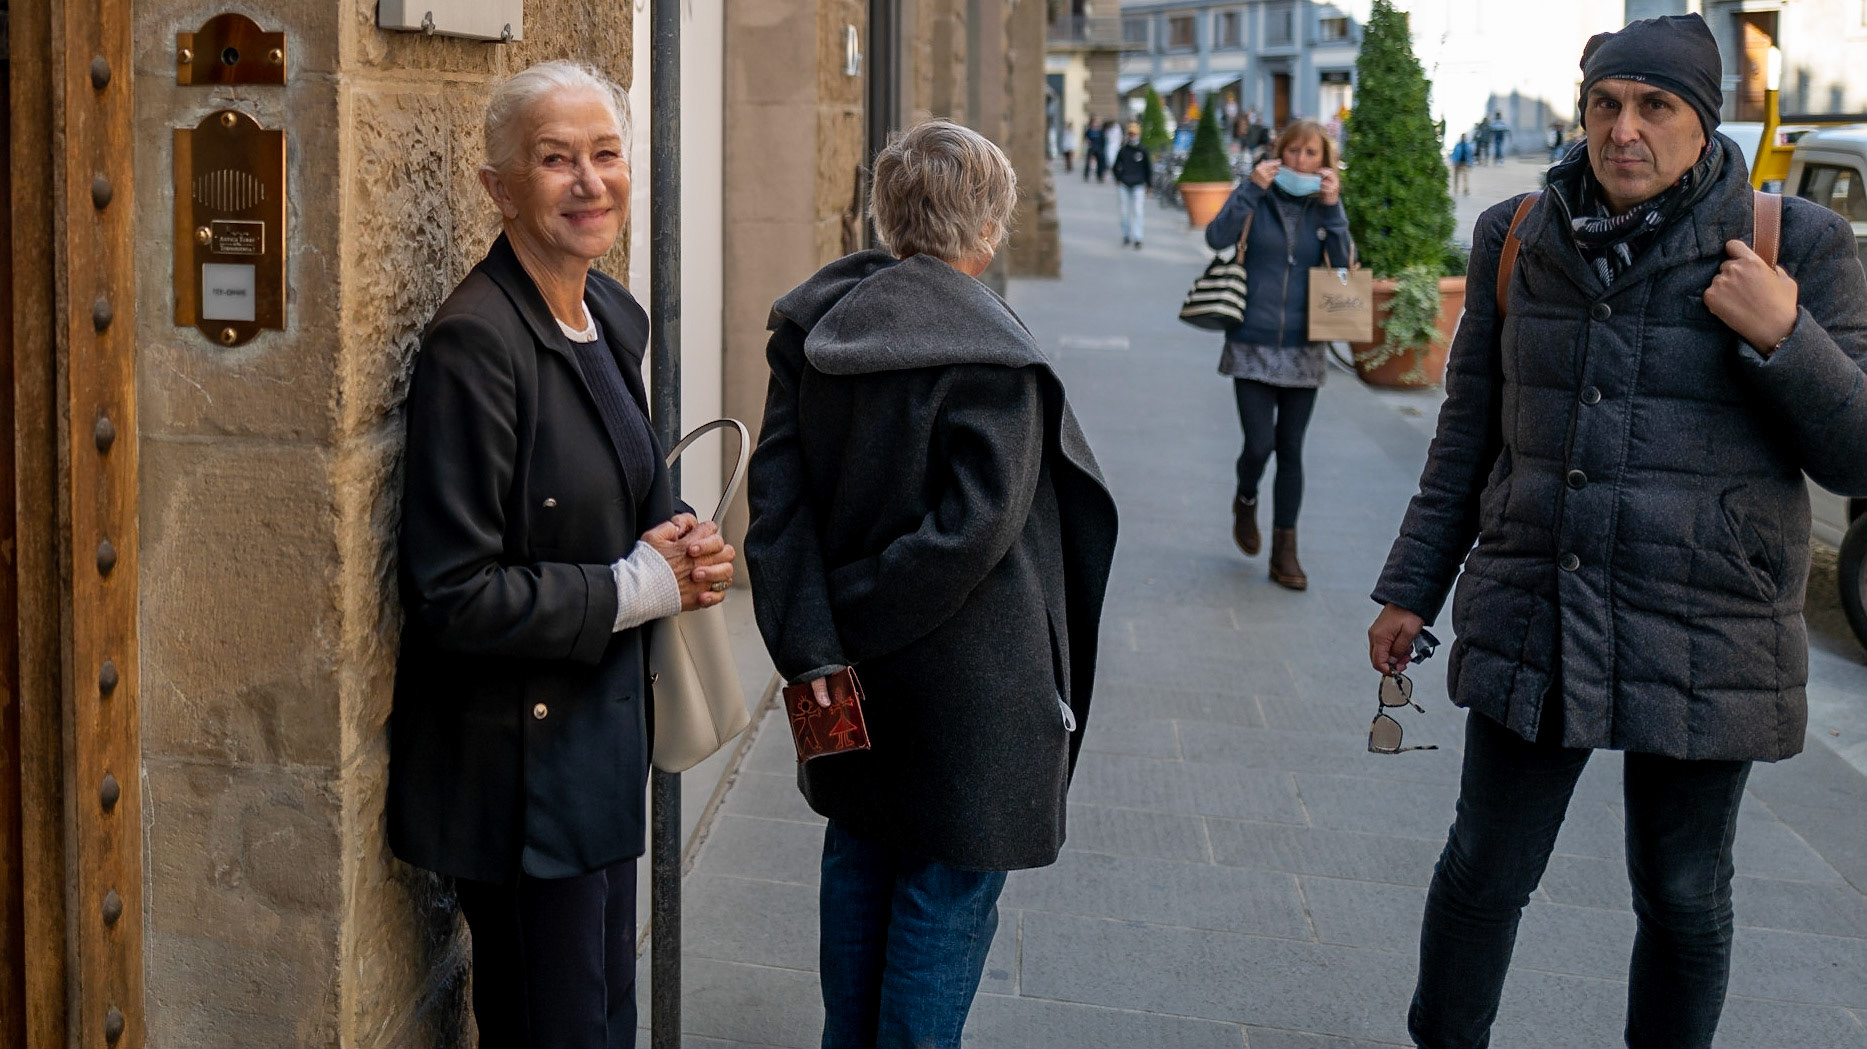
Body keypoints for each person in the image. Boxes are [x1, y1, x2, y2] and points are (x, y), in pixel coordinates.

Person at [1366, 15, 1867, 1049]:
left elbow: (1855, 457)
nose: (1623, 129)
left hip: (1706, 622)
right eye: (1605, 103)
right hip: (1537, 599)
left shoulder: (1793, 246)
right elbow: (1468, 434)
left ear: (1702, 122)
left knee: (1683, 896)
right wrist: (1411, 582)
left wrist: (1785, 334)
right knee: (1482, 870)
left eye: (1655, 107)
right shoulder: (1515, 236)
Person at [744, 118, 1119, 1049]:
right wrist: (856, 619)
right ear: (987, 229)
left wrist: (816, 641)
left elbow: (775, 509)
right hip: (974, 691)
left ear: (887, 212)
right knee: (941, 903)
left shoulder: (813, 330)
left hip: (848, 681)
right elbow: (972, 532)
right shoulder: (995, 356)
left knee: (861, 865)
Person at [387, 61, 738, 1049]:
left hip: (598, 747)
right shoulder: (475, 343)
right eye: (555, 160)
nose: (590, 181)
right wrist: (638, 583)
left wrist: (678, 543)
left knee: (601, 1017)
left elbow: (624, 497)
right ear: (498, 186)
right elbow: (452, 591)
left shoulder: (608, 312)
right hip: (522, 782)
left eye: (606, 154)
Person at [1203, 119, 1354, 590]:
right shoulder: (1258, 195)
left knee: (1291, 449)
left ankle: (1284, 553)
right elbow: (1216, 236)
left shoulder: (1325, 207)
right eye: (1294, 152)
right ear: (1278, 153)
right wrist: (1250, 189)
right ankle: (1245, 497)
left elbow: (1346, 263)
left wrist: (1332, 208)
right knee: (1258, 445)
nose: (1301, 162)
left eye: (1312, 154)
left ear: (1324, 162)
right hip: (1251, 340)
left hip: (1305, 346)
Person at [1111, 123, 1152, 249]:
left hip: (1138, 185)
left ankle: (1138, 237)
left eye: (1134, 134)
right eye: (1130, 134)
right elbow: (1115, 167)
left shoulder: (1143, 150)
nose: (1132, 136)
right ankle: (1126, 235)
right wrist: (1118, 179)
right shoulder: (1123, 150)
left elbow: (1148, 169)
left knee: (1138, 211)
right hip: (1124, 184)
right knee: (1124, 212)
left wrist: (1149, 185)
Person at [1082, 114, 1105, 182]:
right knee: (1088, 162)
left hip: (1099, 148)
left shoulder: (1100, 130)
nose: (1095, 123)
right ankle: (1086, 175)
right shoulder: (1089, 130)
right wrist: (1087, 142)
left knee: (1100, 162)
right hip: (1091, 147)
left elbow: (1103, 140)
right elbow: (1085, 137)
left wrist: (1102, 148)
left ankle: (1100, 176)